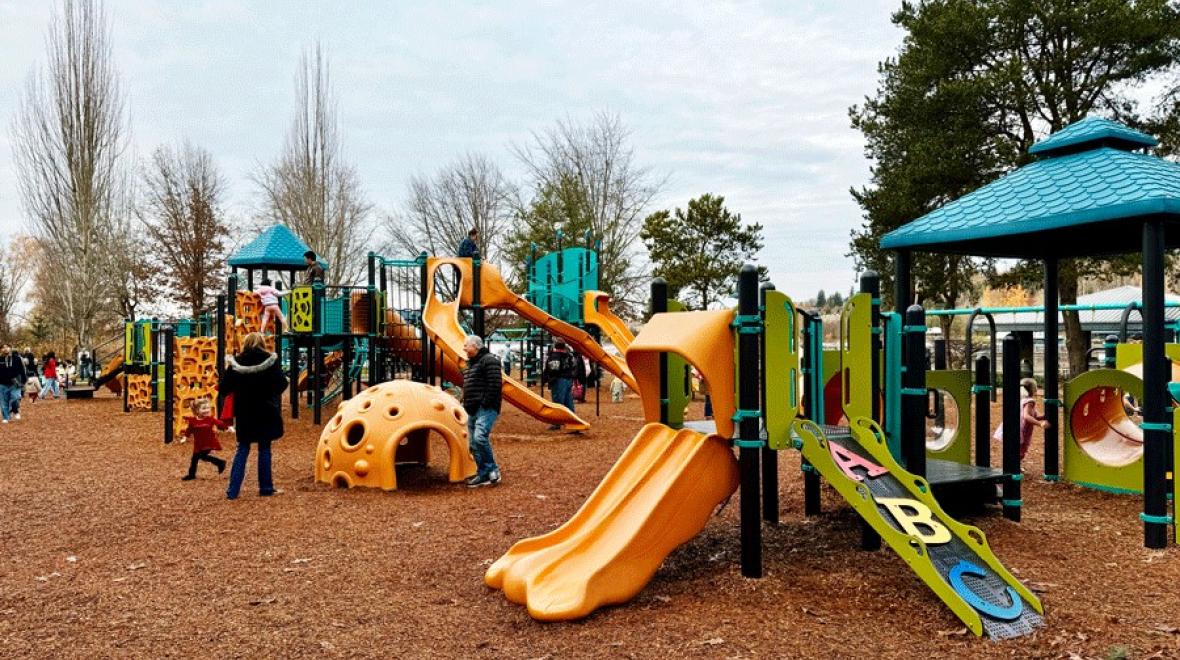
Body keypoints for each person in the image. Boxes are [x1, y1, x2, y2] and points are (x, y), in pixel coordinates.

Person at [219, 332, 288, 499]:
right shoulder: (270, 361)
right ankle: (266, 488)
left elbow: (224, 389)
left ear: (246, 343)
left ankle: (233, 491)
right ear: (262, 343)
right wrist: (269, 393)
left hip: (245, 411)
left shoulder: (237, 362)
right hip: (266, 409)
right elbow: (282, 383)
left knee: (243, 448)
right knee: (265, 448)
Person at [461, 335, 502, 487]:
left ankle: (492, 469)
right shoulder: (470, 364)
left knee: (479, 437)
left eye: (466, 345)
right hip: (472, 408)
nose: (464, 348)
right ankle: (483, 473)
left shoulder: (489, 360)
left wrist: (485, 402)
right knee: (473, 443)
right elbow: (469, 384)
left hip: (485, 407)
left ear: (476, 346)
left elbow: (495, 383)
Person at [993, 377, 1050, 461]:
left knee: (1016, 450)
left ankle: (1012, 466)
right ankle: (1013, 468)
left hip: (1014, 427)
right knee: (1020, 452)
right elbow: (1026, 416)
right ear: (1034, 389)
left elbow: (1034, 416)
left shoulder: (1023, 400)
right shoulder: (1030, 401)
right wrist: (1040, 424)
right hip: (1021, 430)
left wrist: (1044, 416)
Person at [179, 398, 229, 480]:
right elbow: (189, 430)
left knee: (201, 456)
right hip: (198, 444)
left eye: (208, 408)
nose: (207, 410)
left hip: (208, 442)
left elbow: (220, 424)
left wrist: (227, 428)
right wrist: (185, 438)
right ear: (197, 410)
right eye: (204, 408)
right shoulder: (193, 421)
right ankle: (192, 475)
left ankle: (220, 463)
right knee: (195, 459)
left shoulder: (210, 419)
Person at [543, 339, 579, 428]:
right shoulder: (569, 356)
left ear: (555, 346)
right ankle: (572, 421)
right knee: (568, 402)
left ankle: (557, 423)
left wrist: (547, 378)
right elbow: (574, 366)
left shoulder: (554, 356)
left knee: (558, 402)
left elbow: (554, 369)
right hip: (568, 379)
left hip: (558, 380)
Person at [0, 345, 26, 422]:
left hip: (15, 383)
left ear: (10, 348)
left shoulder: (17, 358)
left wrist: (23, 381)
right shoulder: (0, 359)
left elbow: (22, 370)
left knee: (16, 398)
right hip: (2, 384)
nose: (5, 349)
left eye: (7, 347)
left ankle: (15, 410)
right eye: (3, 347)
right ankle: (6, 418)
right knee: (4, 401)